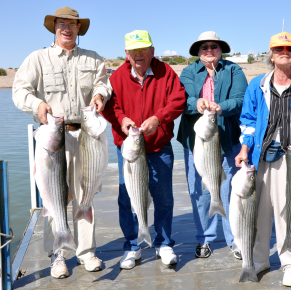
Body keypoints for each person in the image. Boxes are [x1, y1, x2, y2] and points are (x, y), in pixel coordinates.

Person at [12, 6, 112, 279]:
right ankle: (57, 255)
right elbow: (20, 90)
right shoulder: (38, 58)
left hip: (85, 135)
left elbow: (104, 85)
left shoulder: (94, 59)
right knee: (54, 197)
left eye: (72, 24)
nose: (67, 28)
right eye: (61, 24)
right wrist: (39, 103)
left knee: (83, 193)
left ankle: (86, 251)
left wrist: (100, 96)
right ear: (54, 27)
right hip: (53, 137)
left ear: (79, 29)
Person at [235, 32, 291, 287]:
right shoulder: (257, 85)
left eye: (289, 48)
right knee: (258, 212)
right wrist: (244, 149)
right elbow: (248, 122)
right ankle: (259, 258)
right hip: (260, 157)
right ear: (271, 55)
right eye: (278, 49)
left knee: (290, 213)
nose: (284, 52)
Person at [102, 30, 185, 269]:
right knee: (127, 199)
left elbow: (179, 100)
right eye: (133, 51)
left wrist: (158, 119)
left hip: (159, 147)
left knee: (164, 197)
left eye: (143, 50)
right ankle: (132, 245)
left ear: (152, 51)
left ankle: (164, 243)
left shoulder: (165, 71)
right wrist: (121, 119)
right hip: (128, 150)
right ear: (126, 53)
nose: (139, 55)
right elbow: (109, 106)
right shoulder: (116, 76)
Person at [177, 31, 248, 259]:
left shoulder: (234, 70)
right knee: (200, 192)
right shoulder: (188, 71)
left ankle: (234, 240)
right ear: (198, 51)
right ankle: (205, 239)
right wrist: (195, 102)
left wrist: (220, 107)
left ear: (221, 49)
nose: (209, 50)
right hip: (196, 141)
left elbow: (240, 99)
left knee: (230, 191)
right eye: (204, 47)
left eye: (213, 46)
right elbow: (181, 100)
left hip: (229, 141)